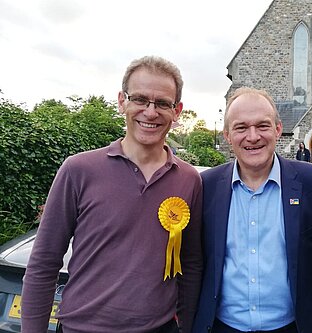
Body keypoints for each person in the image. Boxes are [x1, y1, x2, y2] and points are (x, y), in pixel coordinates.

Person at [21, 56, 203, 333]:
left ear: (176, 111)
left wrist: (186, 327)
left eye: (162, 103)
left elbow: (190, 265)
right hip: (82, 328)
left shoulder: (189, 179)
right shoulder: (78, 170)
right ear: (122, 102)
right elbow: (43, 263)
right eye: (140, 99)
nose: (150, 112)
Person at [193, 87, 312, 333]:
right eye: (241, 128)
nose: (253, 136)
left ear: (278, 129)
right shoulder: (205, 187)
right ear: (227, 135)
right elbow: (196, 265)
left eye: (263, 126)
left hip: (292, 327)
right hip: (222, 327)